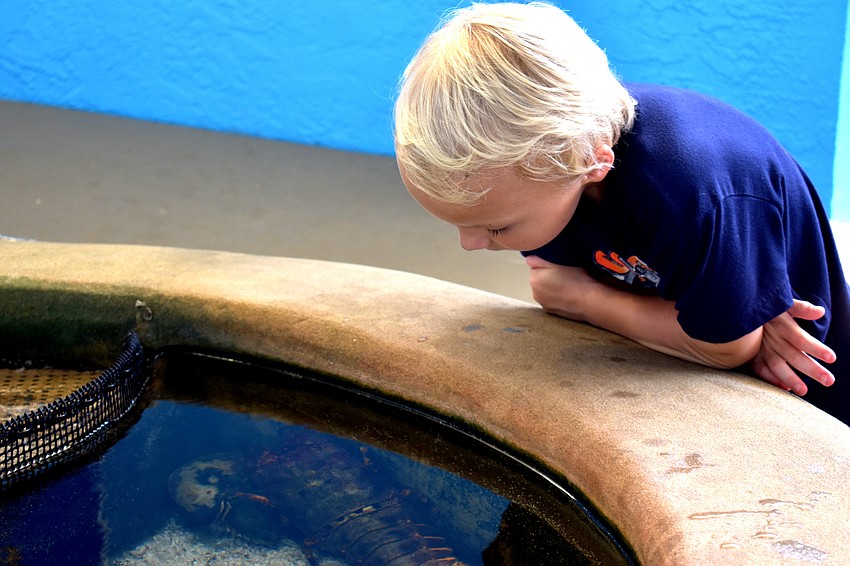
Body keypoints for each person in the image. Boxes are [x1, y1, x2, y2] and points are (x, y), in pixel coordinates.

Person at [393, 1, 850, 424]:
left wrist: (586, 299)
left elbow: (729, 348)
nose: (469, 245)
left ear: (592, 164)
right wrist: (721, 305)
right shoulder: (542, 158)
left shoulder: (691, 190)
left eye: (494, 227)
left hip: (803, 379)